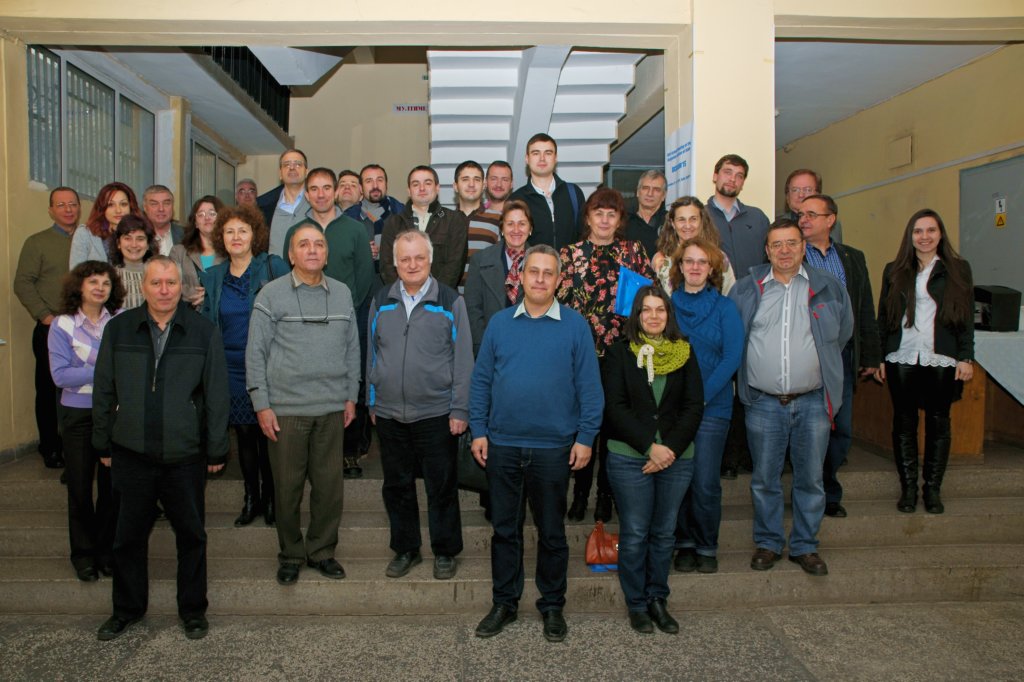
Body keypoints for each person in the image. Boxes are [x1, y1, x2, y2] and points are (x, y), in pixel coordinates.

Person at [470, 244, 603, 642]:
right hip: (503, 445)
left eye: (548, 273)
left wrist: (585, 437)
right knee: (504, 531)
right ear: (520, 277)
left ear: (559, 280)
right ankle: (504, 603)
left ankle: (552, 606)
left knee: (552, 533)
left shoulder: (575, 326)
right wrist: (478, 429)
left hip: (553, 448)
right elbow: (481, 381)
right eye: (533, 272)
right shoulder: (499, 324)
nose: (540, 279)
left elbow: (590, 388)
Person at [92, 256, 229, 641]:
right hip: (131, 451)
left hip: (184, 455)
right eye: (156, 283)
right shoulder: (119, 329)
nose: (164, 290)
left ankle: (193, 610)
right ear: (144, 287)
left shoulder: (203, 331)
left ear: (181, 287)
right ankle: (127, 609)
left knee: (192, 537)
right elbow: (103, 389)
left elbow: (217, 395)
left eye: (171, 282)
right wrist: (102, 440)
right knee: (127, 538)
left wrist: (216, 448)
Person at [729, 219, 852, 577]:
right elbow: (734, 337)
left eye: (792, 243)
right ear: (766, 250)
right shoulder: (746, 289)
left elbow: (843, 334)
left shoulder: (828, 287)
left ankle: (805, 546)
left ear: (803, 247)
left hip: (813, 401)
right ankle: (768, 542)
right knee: (764, 479)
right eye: (777, 244)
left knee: (810, 479)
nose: (784, 251)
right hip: (763, 402)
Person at [246, 224, 360, 586]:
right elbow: (255, 352)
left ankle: (322, 550)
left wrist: (351, 395)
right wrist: (261, 404)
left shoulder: (342, 293)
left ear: (326, 254)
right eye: (304, 244)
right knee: (287, 488)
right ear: (291, 255)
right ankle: (292, 554)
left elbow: (353, 348)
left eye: (319, 244)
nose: (312, 250)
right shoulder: (270, 294)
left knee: (329, 488)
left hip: (331, 408)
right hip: (286, 410)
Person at [367, 230, 472, 580]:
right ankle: (406, 549)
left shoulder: (450, 300)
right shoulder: (381, 299)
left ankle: (445, 551)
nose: (412, 265)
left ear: (430, 260)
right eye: (405, 259)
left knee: (441, 486)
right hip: (389, 412)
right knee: (396, 486)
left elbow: (463, 359)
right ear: (394, 263)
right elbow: (372, 352)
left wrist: (460, 409)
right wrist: (372, 400)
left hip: (436, 412)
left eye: (419, 258)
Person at [602, 285, 703, 634]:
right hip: (629, 457)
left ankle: (658, 598)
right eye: (647, 309)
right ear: (637, 314)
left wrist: (668, 449)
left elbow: (693, 406)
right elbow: (614, 408)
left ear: (669, 315)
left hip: (677, 458)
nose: (654, 316)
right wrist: (650, 447)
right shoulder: (619, 353)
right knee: (635, 533)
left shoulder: (685, 352)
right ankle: (636, 604)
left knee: (663, 533)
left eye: (660, 309)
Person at [557, 187, 653, 522]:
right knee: (585, 427)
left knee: (614, 428)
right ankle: (580, 494)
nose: (604, 220)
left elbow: (649, 300)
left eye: (612, 214)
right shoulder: (569, 255)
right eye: (599, 213)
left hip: (621, 356)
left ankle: (605, 496)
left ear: (620, 219)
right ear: (588, 217)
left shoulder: (633, 252)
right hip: (580, 356)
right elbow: (558, 304)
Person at [876, 209, 974, 515]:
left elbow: (966, 317)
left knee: (938, 423)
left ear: (940, 234)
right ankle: (908, 489)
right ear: (910, 236)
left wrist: (965, 356)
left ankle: (932, 489)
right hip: (901, 355)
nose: (925, 236)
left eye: (931, 230)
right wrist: (879, 357)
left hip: (940, 357)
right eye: (918, 231)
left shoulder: (957, 269)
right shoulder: (894, 270)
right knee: (904, 423)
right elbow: (884, 317)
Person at [200, 205, 290, 527]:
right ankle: (251, 498)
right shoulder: (213, 277)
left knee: (269, 436)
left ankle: (272, 499)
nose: (236, 237)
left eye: (242, 230)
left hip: (267, 365)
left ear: (255, 234)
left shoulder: (272, 267)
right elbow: (207, 321)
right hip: (230, 368)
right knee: (245, 435)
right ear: (221, 238)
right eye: (229, 231)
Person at [283, 167, 375, 479]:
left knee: (349, 381)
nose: (321, 194)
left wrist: (347, 308)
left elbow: (365, 275)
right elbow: (289, 273)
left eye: (326, 188)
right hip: (303, 321)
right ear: (306, 194)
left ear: (335, 192)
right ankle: (310, 451)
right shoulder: (296, 230)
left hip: (347, 317)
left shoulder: (355, 229)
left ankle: (349, 451)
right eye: (314, 189)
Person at [799, 194, 880, 517]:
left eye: (811, 214)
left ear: (830, 219)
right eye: (801, 214)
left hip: (840, 355)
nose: (804, 220)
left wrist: (871, 355)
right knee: (807, 427)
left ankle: (829, 491)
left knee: (839, 426)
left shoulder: (852, 258)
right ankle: (806, 489)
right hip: (804, 354)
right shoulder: (793, 254)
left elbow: (864, 308)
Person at [670, 238, 744, 575]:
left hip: (713, 408)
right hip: (674, 410)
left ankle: (706, 545)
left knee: (704, 482)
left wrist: (699, 398)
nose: (695, 267)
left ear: (712, 268)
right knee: (678, 480)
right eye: (689, 261)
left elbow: (732, 358)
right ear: (680, 266)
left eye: (702, 262)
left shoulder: (725, 308)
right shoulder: (667, 306)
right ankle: (684, 544)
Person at [48, 260, 124, 581]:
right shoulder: (62, 325)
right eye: (93, 282)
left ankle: (106, 551)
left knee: (111, 489)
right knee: (79, 488)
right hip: (77, 416)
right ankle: (83, 555)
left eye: (106, 283)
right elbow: (60, 375)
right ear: (79, 286)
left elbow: (126, 368)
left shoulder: (119, 320)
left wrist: (87, 366)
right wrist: (104, 369)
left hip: (112, 413)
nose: (100, 288)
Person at [14, 186, 81, 469]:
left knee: (80, 387)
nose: (68, 209)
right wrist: (45, 316)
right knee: (48, 388)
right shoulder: (37, 242)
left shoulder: (87, 240)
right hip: (52, 327)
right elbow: (22, 283)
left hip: (84, 328)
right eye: (61, 205)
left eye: (73, 204)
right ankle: (51, 447)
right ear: (51, 210)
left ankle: (76, 446)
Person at [380, 165, 468, 289]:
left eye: (427, 183)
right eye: (416, 184)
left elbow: (455, 266)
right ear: (409, 191)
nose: (422, 188)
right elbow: (387, 265)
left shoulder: (454, 220)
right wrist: (405, 294)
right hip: (402, 297)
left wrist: (433, 294)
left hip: (441, 296)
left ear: (437, 188)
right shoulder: (393, 223)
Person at [465, 200, 532, 355]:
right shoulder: (480, 260)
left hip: (530, 346)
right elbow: (472, 308)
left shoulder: (541, 261)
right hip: (490, 345)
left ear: (530, 229)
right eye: (510, 224)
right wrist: (484, 345)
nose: (516, 230)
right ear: (501, 228)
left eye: (522, 224)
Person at [509, 133, 586, 250]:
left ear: (555, 158)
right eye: (536, 153)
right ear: (527, 159)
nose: (542, 158)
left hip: (570, 262)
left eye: (548, 153)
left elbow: (584, 235)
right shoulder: (516, 199)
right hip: (531, 262)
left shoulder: (574, 193)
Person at [652, 196, 736, 294]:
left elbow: (731, 294)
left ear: (702, 221)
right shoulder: (663, 261)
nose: (688, 225)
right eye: (681, 219)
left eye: (693, 219)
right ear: (673, 223)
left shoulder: (719, 258)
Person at [705, 154, 770, 278]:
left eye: (739, 176)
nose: (732, 179)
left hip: (752, 289)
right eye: (727, 172)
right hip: (713, 289)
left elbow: (770, 259)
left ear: (743, 183)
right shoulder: (699, 217)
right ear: (715, 176)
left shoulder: (758, 218)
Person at [344, 163, 405, 281]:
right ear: (360, 188)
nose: (375, 185)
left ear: (386, 184)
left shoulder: (402, 214)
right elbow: (341, 256)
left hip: (397, 282)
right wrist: (359, 252)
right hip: (360, 283)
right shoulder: (348, 218)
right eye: (369, 181)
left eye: (380, 180)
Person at [70, 182, 144, 268]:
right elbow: (76, 273)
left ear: (131, 207)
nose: (118, 210)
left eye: (123, 204)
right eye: (110, 205)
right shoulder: (84, 234)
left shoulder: (142, 234)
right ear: (102, 208)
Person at [462, 161, 511, 289]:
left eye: (505, 179)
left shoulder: (517, 217)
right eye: (494, 179)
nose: (499, 184)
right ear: (485, 183)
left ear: (512, 184)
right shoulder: (470, 215)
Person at [169, 195, 225, 307]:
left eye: (212, 213)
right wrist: (202, 295)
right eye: (201, 214)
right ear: (195, 223)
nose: (207, 218)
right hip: (188, 313)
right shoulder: (179, 252)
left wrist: (211, 295)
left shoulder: (230, 252)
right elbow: (170, 283)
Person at [256, 148, 310, 257]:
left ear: (306, 172)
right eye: (286, 165)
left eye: (298, 164)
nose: (292, 168)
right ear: (280, 173)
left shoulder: (318, 204)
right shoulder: (263, 207)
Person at [781, 168, 843, 244]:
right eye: (795, 190)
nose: (801, 195)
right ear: (787, 196)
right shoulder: (777, 226)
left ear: (818, 194)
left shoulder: (829, 222)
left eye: (807, 190)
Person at [110, 215, 158, 310]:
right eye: (128, 238)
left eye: (140, 239)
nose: (134, 245)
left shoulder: (158, 275)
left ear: (148, 244)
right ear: (118, 243)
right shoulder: (110, 277)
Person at [625, 169, 668, 257]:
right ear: (638, 192)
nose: (650, 194)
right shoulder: (623, 221)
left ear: (664, 195)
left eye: (656, 189)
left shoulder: (671, 222)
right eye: (645, 188)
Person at [142, 185, 184, 256]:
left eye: (166, 203)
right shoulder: (136, 236)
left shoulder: (187, 235)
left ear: (172, 206)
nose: (161, 209)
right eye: (154, 204)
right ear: (145, 208)